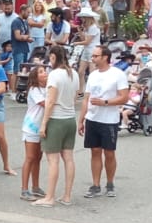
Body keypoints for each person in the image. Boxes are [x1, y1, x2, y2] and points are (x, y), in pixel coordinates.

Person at [81, 45, 129, 199]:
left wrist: (106, 102)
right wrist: (81, 119)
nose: (93, 58)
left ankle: (110, 182)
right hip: (92, 118)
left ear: (105, 57)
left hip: (109, 120)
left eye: (96, 56)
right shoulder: (93, 75)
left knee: (109, 152)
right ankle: (95, 184)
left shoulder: (117, 74)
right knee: (95, 151)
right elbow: (86, 98)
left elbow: (124, 97)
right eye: (93, 56)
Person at [34, 45, 80, 207]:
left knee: (53, 160)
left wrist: (44, 123)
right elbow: (75, 96)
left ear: (53, 57)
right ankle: (67, 195)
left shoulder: (54, 75)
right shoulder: (73, 73)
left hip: (56, 119)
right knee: (68, 158)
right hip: (70, 118)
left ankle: (49, 197)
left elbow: (50, 101)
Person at [19, 63, 49, 201]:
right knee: (30, 157)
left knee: (38, 157)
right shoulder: (34, 89)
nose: (45, 73)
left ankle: (35, 187)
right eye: (41, 72)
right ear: (36, 77)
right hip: (31, 127)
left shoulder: (48, 88)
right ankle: (24, 189)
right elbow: (45, 104)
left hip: (42, 127)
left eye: (45, 71)